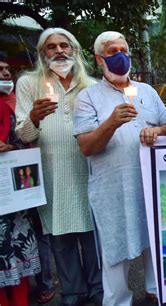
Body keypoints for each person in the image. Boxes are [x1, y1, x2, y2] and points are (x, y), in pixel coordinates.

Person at [73, 31, 166, 305]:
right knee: (115, 249)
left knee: (154, 239)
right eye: (112, 50)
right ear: (99, 59)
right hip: (112, 189)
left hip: (148, 184)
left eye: (124, 50)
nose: (120, 56)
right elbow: (86, 147)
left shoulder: (148, 91)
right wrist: (111, 123)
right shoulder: (88, 97)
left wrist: (159, 132)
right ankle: (118, 300)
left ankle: (157, 291)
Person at [15, 28, 102, 305]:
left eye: (65, 45)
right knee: (60, 236)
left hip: (88, 169)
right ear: (42, 54)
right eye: (51, 47)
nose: (59, 51)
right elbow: (24, 135)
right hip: (52, 173)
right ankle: (73, 293)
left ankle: (98, 290)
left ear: (75, 51)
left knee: (91, 235)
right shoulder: (29, 84)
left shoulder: (92, 86)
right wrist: (33, 117)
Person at [0, 53, 40, 306]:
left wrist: (10, 148)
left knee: (17, 252)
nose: (5, 74)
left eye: (6, 69)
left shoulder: (6, 108)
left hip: (12, 200)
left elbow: (22, 141)